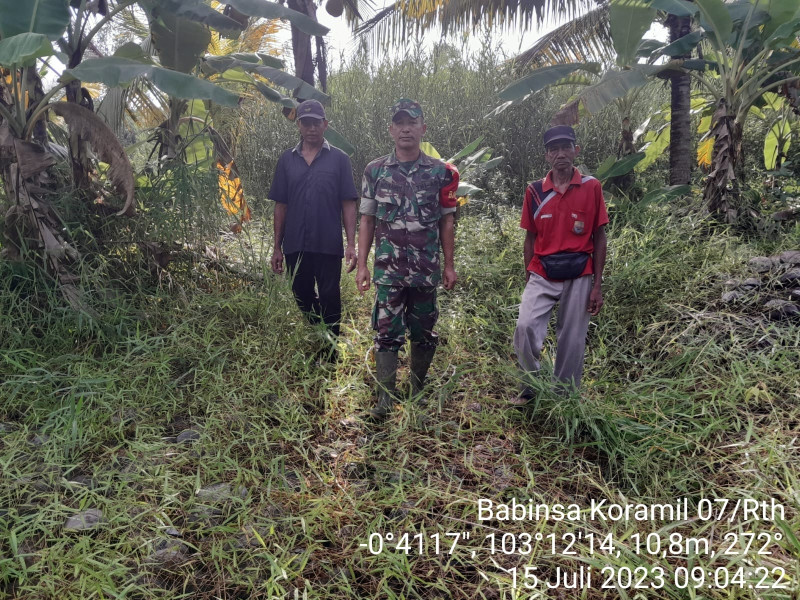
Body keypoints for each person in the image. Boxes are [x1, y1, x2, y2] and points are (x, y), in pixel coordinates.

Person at [356, 98, 459, 420]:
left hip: (425, 269)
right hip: (388, 270)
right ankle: (385, 399)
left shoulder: (442, 173)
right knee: (386, 332)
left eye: (412, 122)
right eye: (400, 123)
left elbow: (447, 221)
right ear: (391, 130)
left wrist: (449, 265)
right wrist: (361, 264)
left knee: (424, 330)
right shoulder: (375, 171)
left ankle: (417, 392)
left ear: (422, 129)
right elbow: (367, 220)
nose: (405, 128)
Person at [511, 125, 608, 402]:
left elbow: (599, 236)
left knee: (572, 339)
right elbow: (530, 238)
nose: (561, 153)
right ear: (547, 156)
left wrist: (597, 285)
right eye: (554, 149)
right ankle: (530, 388)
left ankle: (565, 397)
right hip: (542, 270)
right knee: (525, 327)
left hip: (580, 272)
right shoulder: (535, 191)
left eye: (566, 147)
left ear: (576, 150)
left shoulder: (591, 187)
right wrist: (529, 276)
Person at [269, 99, 359, 358]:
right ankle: (322, 332)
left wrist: (351, 243)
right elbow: (281, 205)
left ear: (325, 125)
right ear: (298, 125)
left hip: (327, 242)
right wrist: (277, 247)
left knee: (331, 295)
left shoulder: (339, 159)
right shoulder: (287, 160)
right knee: (301, 294)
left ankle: (331, 352)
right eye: (306, 122)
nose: (311, 128)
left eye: (316, 122)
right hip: (295, 242)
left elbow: (348, 203)